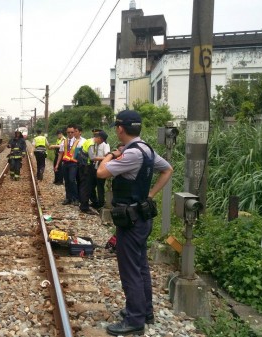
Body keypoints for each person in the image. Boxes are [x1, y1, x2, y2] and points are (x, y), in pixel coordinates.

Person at [96, 110, 173, 336]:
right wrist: (150, 194)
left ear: (120, 129)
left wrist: (110, 154)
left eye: (116, 127)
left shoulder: (130, 155)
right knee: (140, 267)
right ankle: (145, 311)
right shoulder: (146, 149)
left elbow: (101, 172)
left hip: (130, 220)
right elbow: (168, 169)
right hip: (142, 216)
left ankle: (135, 319)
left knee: (130, 270)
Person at [54, 124, 84, 206]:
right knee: (66, 181)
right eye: (68, 132)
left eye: (72, 132)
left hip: (73, 164)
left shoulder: (78, 142)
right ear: (66, 133)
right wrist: (57, 164)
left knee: (72, 180)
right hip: (65, 163)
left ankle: (75, 198)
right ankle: (68, 198)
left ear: (74, 132)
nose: (70, 134)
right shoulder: (64, 141)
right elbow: (60, 153)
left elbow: (79, 154)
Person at [88, 130, 111, 210]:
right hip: (94, 167)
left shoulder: (105, 145)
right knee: (91, 186)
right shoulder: (95, 144)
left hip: (101, 168)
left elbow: (107, 156)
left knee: (100, 187)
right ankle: (95, 201)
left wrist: (96, 158)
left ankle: (101, 203)